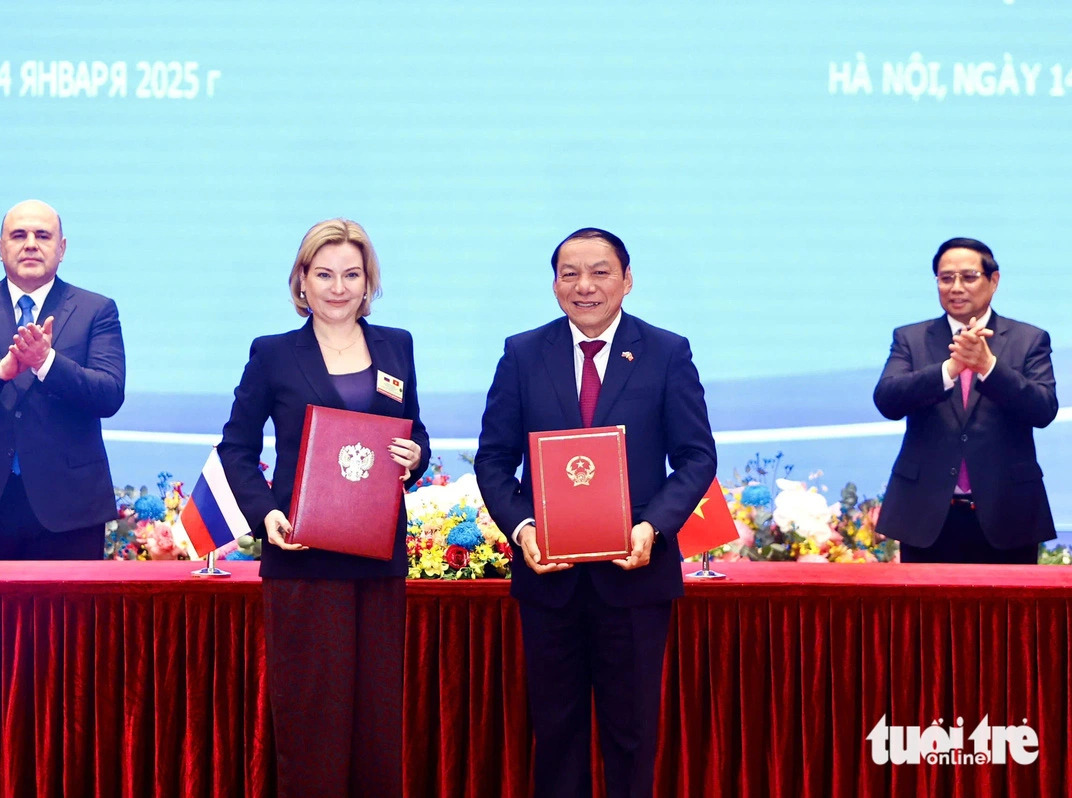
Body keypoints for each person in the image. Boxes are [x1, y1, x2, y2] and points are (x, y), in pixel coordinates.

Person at [474, 227, 717, 798]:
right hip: (547, 579)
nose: (585, 286)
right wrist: (523, 527)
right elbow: (493, 459)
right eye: (570, 273)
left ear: (627, 281)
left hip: (635, 579)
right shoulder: (522, 353)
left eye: (601, 272)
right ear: (555, 283)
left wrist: (653, 527)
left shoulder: (666, 351)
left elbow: (696, 456)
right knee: (555, 736)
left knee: (632, 739)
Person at [217, 219, 429, 798]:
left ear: (368, 284)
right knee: (313, 723)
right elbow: (236, 447)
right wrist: (266, 515)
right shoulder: (273, 355)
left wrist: (414, 456)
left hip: (378, 557)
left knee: (376, 722)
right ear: (302, 283)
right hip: (303, 558)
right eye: (325, 274)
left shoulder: (397, 346)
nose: (339, 287)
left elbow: (416, 436)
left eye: (352, 275)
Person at [0, 199, 125, 560]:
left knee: (68, 619)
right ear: (1, 248)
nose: (31, 243)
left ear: (61, 249)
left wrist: (46, 363)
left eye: (42, 235)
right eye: (19, 234)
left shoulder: (97, 310)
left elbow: (108, 394)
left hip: (70, 509)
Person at [873, 237, 1058, 563]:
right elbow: (888, 400)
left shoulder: (1029, 340)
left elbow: (1043, 409)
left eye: (968, 277)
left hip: (1008, 513)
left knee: (1008, 616)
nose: (956, 287)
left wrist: (989, 367)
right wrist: (949, 369)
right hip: (927, 515)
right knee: (926, 616)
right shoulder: (910, 338)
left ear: (993, 281)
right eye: (946, 278)